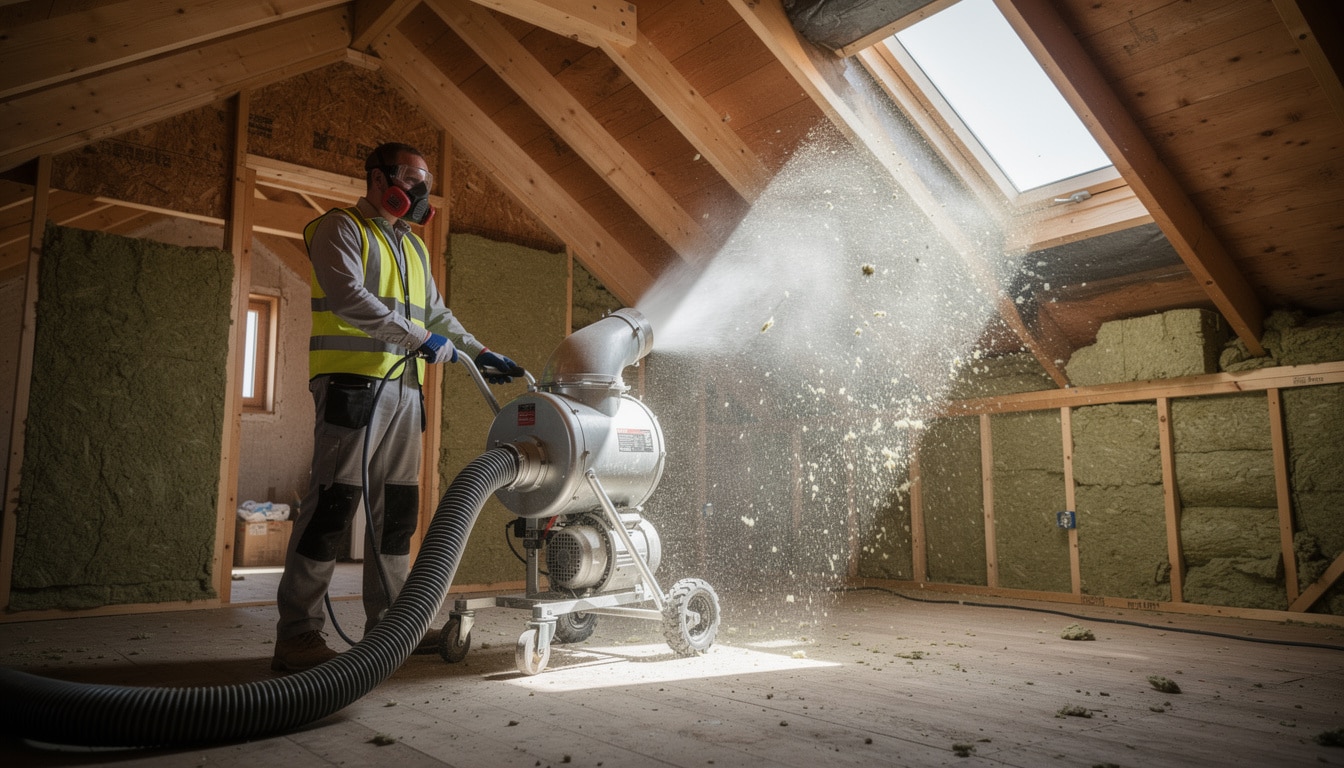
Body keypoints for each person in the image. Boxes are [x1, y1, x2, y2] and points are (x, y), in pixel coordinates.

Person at [272, 141, 524, 672]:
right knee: (332, 509)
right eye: (411, 177)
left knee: (397, 514)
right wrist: (417, 338)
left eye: (425, 179)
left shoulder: (413, 247)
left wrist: (479, 351)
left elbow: (436, 314)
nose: (420, 189)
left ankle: (392, 626)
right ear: (377, 178)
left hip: (407, 390)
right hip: (352, 387)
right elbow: (348, 298)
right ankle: (297, 634)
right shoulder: (339, 229)